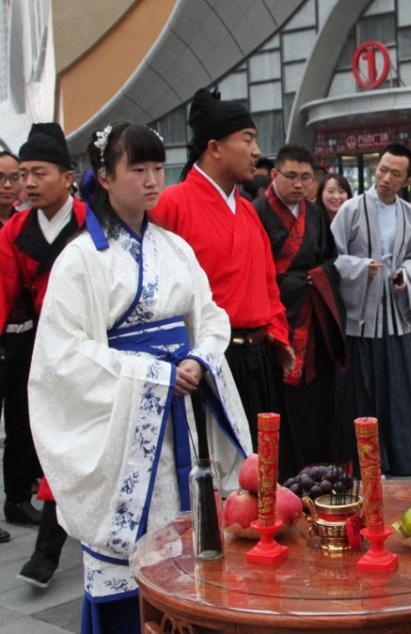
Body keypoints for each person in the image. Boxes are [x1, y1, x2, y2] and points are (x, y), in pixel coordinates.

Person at [30, 121, 251, 634]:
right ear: (105, 177)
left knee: (199, 546)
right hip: (128, 421)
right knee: (133, 555)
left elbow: (211, 315)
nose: (153, 180)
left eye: (158, 168)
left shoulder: (175, 248)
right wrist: (150, 374)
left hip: (184, 411)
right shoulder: (81, 260)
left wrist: (201, 356)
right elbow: (64, 356)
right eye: (138, 169)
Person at [151, 88, 293, 448]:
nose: (257, 151)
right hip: (205, 362)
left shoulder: (247, 210)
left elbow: (268, 285)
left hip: (257, 358)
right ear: (214, 148)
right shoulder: (172, 204)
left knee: (262, 469)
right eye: (247, 139)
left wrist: (278, 334)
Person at [0, 124, 88, 585]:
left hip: (94, 345)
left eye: (39, 173)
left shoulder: (93, 219)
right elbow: (3, 294)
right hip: (43, 349)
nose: (28, 183)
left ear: (68, 176)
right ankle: (47, 549)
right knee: (54, 442)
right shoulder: (15, 231)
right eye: (24, 174)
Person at [331, 144, 411, 475]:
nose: (386, 178)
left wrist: (406, 275)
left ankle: (404, 457)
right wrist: (360, 267)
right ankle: (369, 461)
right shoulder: (351, 209)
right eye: (383, 169)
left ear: (406, 179)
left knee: (401, 391)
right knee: (365, 391)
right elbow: (333, 259)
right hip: (362, 318)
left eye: (395, 174)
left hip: (396, 315)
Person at [252, 145, 346, 477]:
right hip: (279, 319)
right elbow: (255, 270)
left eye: (306, 177)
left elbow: (330, 260)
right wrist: (294, 284)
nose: (299, 184)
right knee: (282, 399)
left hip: (314, 318)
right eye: (291, 176)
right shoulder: (256, 212)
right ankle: (287, 471)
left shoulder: (316, 213)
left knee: (319, 396)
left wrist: (317, 279)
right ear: (274, 175)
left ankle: (322, 466)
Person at [0, 150, 41, 538]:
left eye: (15, 177)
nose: (10, 185)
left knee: (21, 420)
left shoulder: (25, 224)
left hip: (26, 334)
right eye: (3, 178)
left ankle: (17, 497)